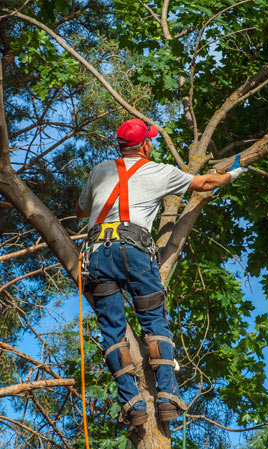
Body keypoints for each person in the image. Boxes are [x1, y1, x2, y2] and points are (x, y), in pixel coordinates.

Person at [76, 118, 247, 427]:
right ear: (145, 145)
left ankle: (132, 404)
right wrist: (232, 173)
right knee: (155, 323)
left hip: (98, 253)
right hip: (135, 250)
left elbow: (82, 210)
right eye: (150, 140)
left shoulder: (100, 170)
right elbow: (205, 183)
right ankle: (167, 398)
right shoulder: (159, 171)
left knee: (112, 331)